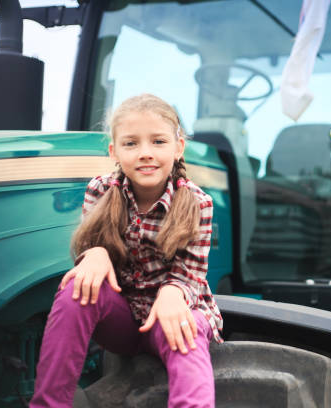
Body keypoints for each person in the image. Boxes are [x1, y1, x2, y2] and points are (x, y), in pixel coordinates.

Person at [30, 94, 223, 408]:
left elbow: (189, 279)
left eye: (158, 142)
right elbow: (91, 249)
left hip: (171, 315)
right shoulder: (101, 189)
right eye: (131, 144)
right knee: (76, 289)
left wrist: (174, 294)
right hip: (124, 322)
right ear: (114, 151)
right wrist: (93, 254)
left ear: (178, 148)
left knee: (187, 326)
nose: (145, 153)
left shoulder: (197, 203)